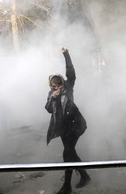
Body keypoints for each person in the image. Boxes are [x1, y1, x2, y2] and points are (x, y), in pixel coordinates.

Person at [45, 47, 91, 194]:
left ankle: (67, 186)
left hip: (75, 126)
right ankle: (84, 176)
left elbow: (71, 73)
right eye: (53, 86)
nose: (56, 87)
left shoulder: (68, 87)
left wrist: (66, 54)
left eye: (59, 84)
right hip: (64, 129)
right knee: (71, 153)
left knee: (67, 153)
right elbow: (48, 109)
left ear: (63, 83)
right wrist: (54, 97)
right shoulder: (51, 94)